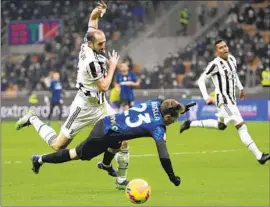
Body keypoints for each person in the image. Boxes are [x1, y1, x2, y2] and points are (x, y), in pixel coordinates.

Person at [15, 1, 130, 189]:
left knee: (122, 138)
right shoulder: (91, 61)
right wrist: (112, 67)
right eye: (100, 44)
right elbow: (103, 86)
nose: (104, 46)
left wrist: (96, 13)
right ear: (92, 44)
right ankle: (33, 118)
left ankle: (120, 180)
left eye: (104, 43)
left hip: (101, 107)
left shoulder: (88, 43)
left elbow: (92, 24)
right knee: (58, 145)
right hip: (84, 107)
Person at [30, 98, 196, 187]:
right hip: (102, 135)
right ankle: (39, 159)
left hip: (108, 123)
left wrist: (183, 107)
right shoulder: (158, 127)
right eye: (175, 118)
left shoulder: (156, 102)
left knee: (118, 142)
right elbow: (164, 156)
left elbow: (168, 105)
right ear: (167, 117)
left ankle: (106, 165)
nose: (174, 121)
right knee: (75, 154)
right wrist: (172, 177)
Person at [180, 40, 270, 165]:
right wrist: (206, 97)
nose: (224, 49)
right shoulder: (215, 64)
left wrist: (241, 88)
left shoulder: (232, 59)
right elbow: (201, 80)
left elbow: (234, 75)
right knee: (241, 126)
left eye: (225, 46)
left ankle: (190, 124)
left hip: (232, 100)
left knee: (220, 126)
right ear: (217, 51)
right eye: (220, 48)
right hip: (224, 101)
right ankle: (259, 156)